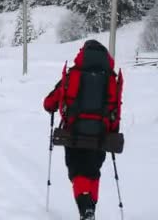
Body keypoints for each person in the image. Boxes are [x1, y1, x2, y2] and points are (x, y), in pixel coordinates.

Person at [43, 40, 121, 220]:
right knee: (93, 172)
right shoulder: (111, 79)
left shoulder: (72, 76)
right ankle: (90, 209)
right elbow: (115, 107)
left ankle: (85, 208)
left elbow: (49, 103)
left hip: (74, 134)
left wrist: (53, 108)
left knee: (77, 171)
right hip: (101, 135)